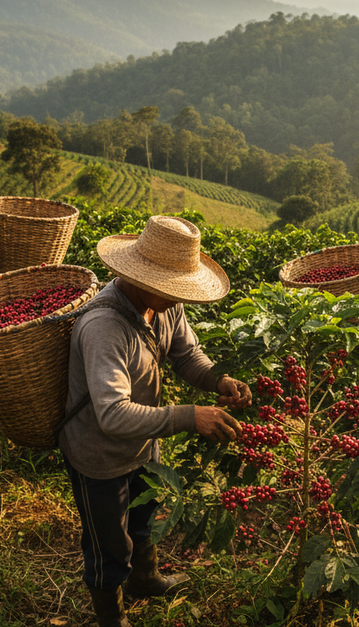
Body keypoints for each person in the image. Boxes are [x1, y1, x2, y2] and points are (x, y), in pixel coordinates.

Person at [59, 215, 251, 627]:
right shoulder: (104, 327)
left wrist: (218, 379)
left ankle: (145, 580)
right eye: (171, 288)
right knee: (109, 545)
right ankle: (112, 617)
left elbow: (186, 355)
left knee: (142, 520)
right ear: (140, 277)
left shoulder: (164, 306)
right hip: (100, 455)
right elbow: (112, 414)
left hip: (144, 444)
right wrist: (189, 416)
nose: (178, 297)